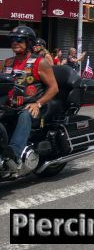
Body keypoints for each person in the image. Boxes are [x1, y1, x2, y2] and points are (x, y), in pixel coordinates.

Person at [1, 26, 59, 173]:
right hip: (10, 105)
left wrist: (38, 103)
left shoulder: (40, 63)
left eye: (19, 40)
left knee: (25, 114)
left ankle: (13, 156)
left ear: (29, 43)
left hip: (32, 106)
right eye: (13, 39)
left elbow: (54, 88)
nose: (15, 42)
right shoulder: (6, 63)